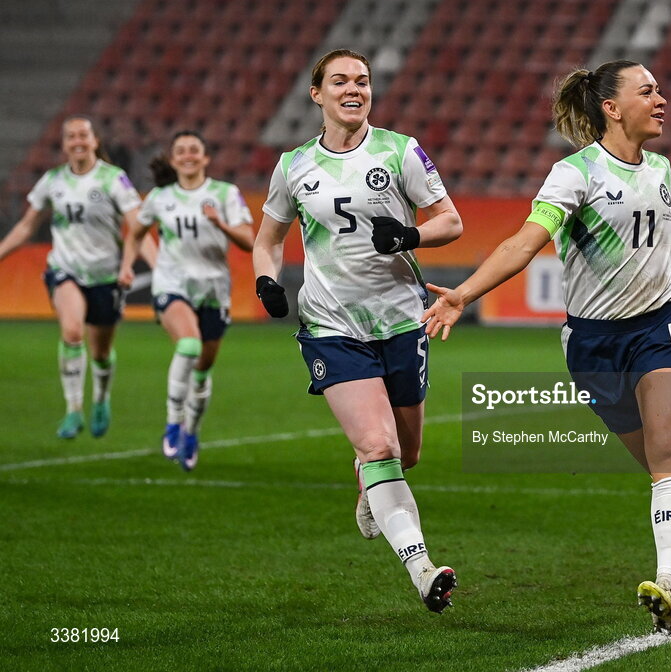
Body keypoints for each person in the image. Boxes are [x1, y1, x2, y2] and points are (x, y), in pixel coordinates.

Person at [422, 60, 671, 633]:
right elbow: (523, 244)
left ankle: (668, 583)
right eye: (648, 91)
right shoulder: (575, 175)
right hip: (592, 343)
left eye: (660, 89)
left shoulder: (661, 169)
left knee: (664, 456)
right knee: (667, 468)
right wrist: (463, 293)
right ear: (611, 108)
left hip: (661, 326)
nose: (661, 99)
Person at [252, 49, 463, 613]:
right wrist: (266, 280)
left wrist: (410, 237)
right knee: (378, 443)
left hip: (398, 319)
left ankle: (370, 481)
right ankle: (423, 571)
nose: (354, 89)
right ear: (316, 93)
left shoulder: (400, 150)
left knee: (406, 453)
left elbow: (450, 220)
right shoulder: (294, 164)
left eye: (363, 81)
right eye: (340, 81)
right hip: (329, 324)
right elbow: (268, 238)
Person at [0, 116, 156, 439]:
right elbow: (28, 226)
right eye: (71, 136)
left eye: (83, 135)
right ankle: (73, 409)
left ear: (95, 140)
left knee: (100, 352)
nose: (78, 141)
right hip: (65, 268)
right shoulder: (53, 180)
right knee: (72, 332)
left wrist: (160, 268)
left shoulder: (114, 179)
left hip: (105, 276)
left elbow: (136, 228)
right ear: (64, 144)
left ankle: (100, 399)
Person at [119, 130, 254, 471]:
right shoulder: (160, 197)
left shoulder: (225, 193)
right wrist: (125, 266)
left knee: (202, 369)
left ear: (205, 158)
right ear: (174, 159)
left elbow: (249, 241)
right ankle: (173, 421)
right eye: (181, 151)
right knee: (190, 346)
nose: (188, 155)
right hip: (172, 284)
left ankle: (191, 432)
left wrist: (219, 223)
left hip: (213, 290)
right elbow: (135, 233)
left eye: (195, 150)